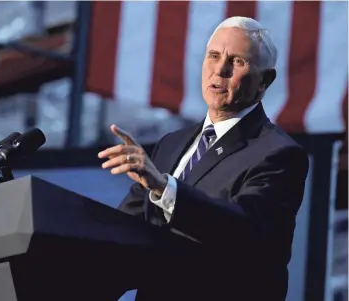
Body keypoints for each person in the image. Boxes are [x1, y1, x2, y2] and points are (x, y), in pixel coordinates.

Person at [98, 16, 309, 301]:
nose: (219, 70)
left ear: (265, 81)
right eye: (213, 56)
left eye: (237, 62)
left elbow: (245, 233)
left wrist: (164, 188)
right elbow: (122, 234)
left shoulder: (278, 154)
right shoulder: (170, 145)